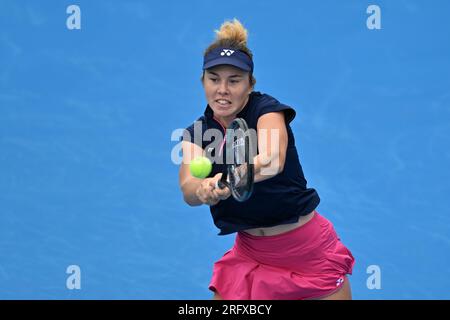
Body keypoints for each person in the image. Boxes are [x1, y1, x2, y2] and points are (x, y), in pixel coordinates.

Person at [179, 19, 355, 300]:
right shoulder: (197, 134)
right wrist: (203, 190)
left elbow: (272, 160)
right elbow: (188, 188)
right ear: (203, 82)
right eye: (214, 79)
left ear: (250, 85)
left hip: (307, 254)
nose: (222, 89)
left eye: (234, 81)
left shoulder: (267, 111)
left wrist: (229, 179)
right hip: (250, 257)